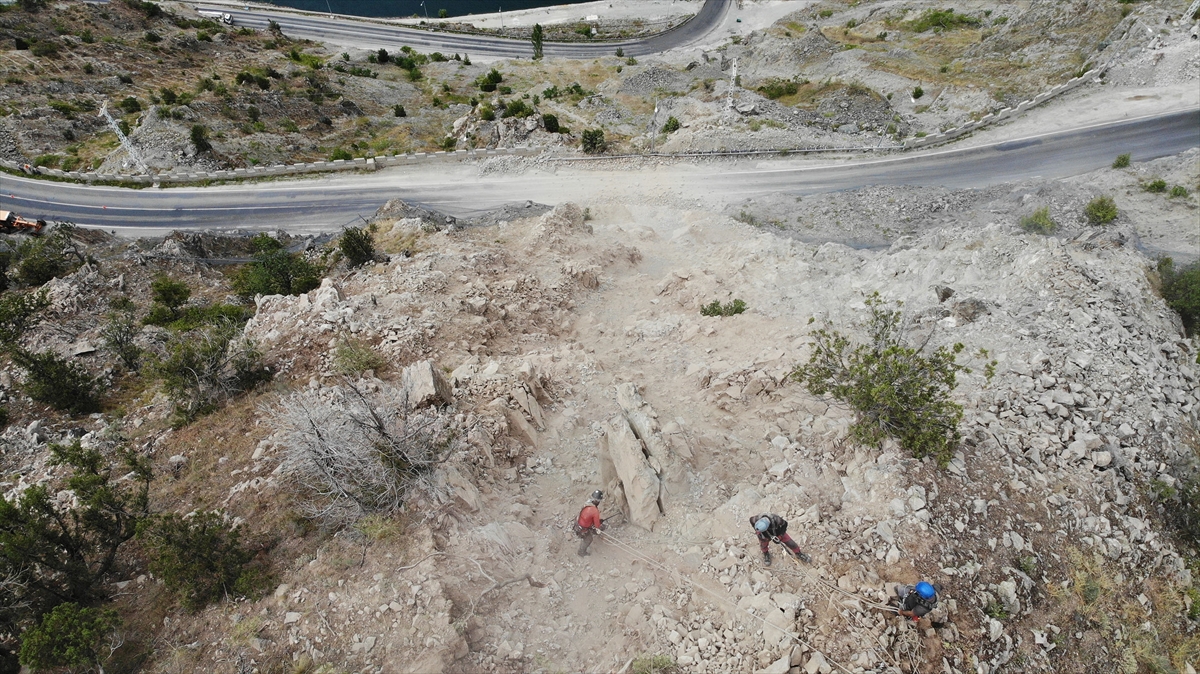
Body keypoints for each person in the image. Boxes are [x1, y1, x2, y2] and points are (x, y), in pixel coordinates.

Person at [575, 490, 606, 556]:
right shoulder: (595, 511)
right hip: (582, 529)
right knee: (589, 539)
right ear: (598, 501)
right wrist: (599, 527)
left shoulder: (587, 504)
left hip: (578, 523)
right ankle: (581, 552)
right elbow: (597, 526)